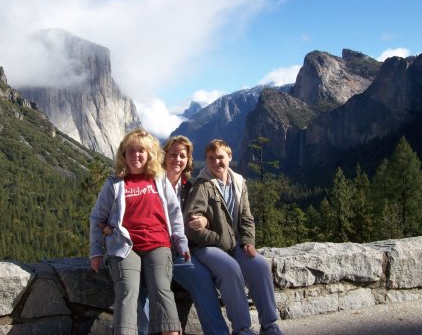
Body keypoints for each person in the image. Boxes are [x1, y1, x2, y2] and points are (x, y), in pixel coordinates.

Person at [89, 128, 190, 335]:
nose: (136, 155)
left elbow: (174, 214)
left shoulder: (160, 180)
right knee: (127, 291)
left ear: (149, 154)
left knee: (162, 289)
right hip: (126, 247)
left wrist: (181, 242)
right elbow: (97, 218)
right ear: (123, 154)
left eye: (141, 150)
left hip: (158, 244)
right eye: (131, 150)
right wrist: (96, 252)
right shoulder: (114, 184)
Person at [183, 139, 283, 335]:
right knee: (230, 268)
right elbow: (191, 225)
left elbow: (246, 217)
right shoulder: (202, 186)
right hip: (206, 247)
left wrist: (248, 242)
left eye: (220, 157)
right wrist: (217, 238)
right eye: (210, 158)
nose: (215, 162)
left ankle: (270, 326)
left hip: (235, 246)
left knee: (261, 265)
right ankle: (242, 329)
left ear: (230, 157)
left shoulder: (239, 182)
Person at [138, 136, 230, 335]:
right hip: (151, 248)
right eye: (173, 154)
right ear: (164, 156)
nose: (177, 159)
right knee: (142, 288)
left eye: (182, 155)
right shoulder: (149, 183)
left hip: (180, 252)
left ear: (188, 160)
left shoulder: (192, 187)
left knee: (202, 279)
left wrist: (205, 220)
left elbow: (208, 213)